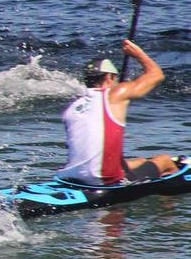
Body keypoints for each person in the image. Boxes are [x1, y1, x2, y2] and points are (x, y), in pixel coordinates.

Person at [59, 39, 179, 185]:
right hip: (101, 180)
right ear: (110, 77)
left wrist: (140, 163)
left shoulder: (73, 108)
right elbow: (156, 75)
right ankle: (168, 206)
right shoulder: (116, 93)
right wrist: (138, 54)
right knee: (165, 161)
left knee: (139, 162)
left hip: (72, 175)